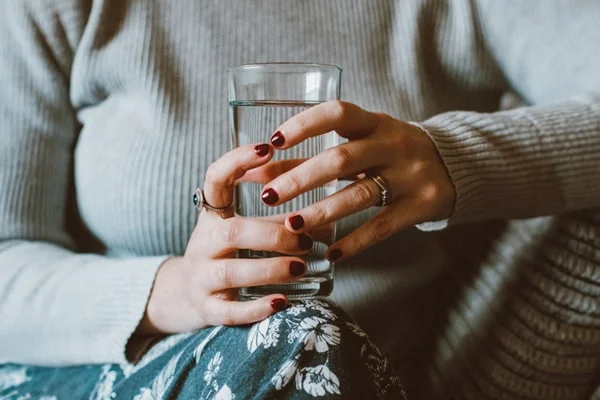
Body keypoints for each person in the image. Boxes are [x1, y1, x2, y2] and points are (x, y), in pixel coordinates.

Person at [1, 0, 599, 399]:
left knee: (306, 334)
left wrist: (454, 159)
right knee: (295, 331)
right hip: (137, 370)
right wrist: (174, 290)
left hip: (392, 369)